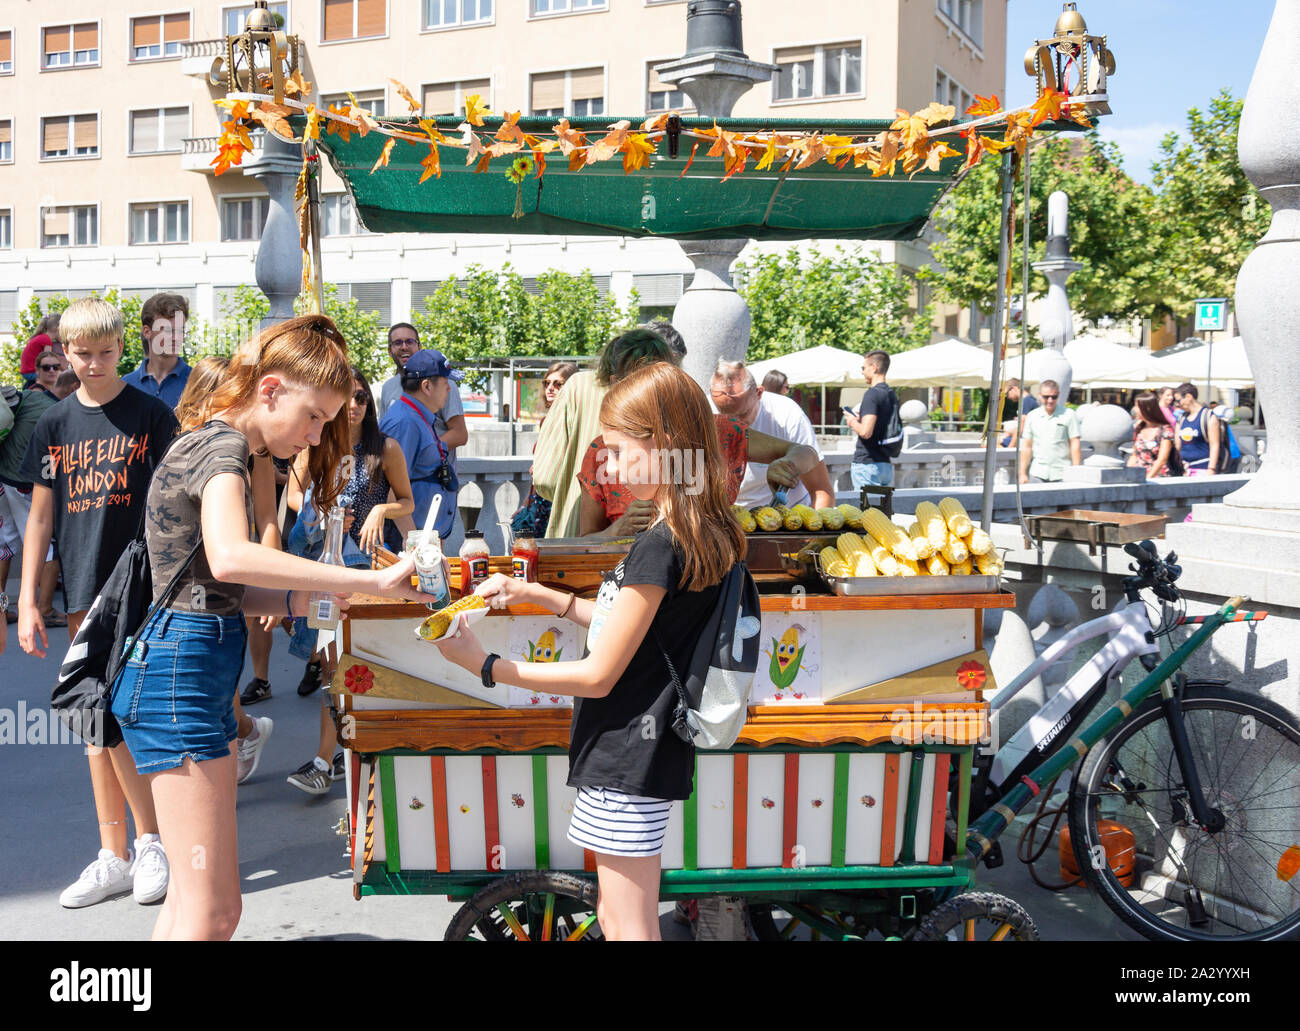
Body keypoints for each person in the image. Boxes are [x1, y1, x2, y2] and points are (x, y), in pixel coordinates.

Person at [106, 313, 433, 940]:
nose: (314, 436)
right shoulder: (224, 447)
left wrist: (309, 602)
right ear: (271, 389)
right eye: (312, 417)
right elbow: (230, 556)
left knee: (196, 907)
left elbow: (222, 586)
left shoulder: (214, 441)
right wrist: (360, 582)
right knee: (210, 911)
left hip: (186, 670)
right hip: (181, 678)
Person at [434, 362, 745, 940]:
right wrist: (538, 594)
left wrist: (483, 665)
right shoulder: (703, 531)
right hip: (647, 753)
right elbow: (633, 632)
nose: (612, 466)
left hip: (626, 751)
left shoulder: (660, 544)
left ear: (667, 446)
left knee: (626, 923)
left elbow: (600, 674)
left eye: (622, 450)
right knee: (621, 914)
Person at [16, 298, 179, 909]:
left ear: (122, 348)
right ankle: (115, 851)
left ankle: (150, 840)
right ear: (64, 351)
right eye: (81, 354)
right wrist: (31, 600)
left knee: (129, 717)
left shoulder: (150, 414)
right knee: (93, 718)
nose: (92, 364)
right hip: (83, 592)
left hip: (142, 585)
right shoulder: (53, 424)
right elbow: (39, 518)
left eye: (105, 353)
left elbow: (175, 503)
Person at [282, 366, 415, 787]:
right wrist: (319, 510)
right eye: (349, 398)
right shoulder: (317, 441)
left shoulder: (385, 448)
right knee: (330, 663)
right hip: (321, 563)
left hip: (366, 571)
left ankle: (327, 761)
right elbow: (292, 493)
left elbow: (408, 501)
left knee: (342, 661)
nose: (354, 406)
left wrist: (381, 509)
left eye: (361, 398)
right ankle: (343, 753)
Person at [533, 328, 673, 539]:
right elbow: (589, 537)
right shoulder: (599, 451)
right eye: (615, 451)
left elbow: (545, 479)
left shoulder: (689, 445)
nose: (613, 465)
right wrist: (618, 529)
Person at [710, 360, 835, 510]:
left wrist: (789, 463)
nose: (734, 425)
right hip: (734, 516)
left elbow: (821, 490)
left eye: (742, 414)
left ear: (759, 393)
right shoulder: (703, 412)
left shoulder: (787, 414)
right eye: (724, 417)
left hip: (789, 513)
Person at [379, 349, 461, 541]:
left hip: (421, 535)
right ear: (427, 386)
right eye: (445, 382)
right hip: (406, 540)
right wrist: (415, 546)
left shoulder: (416, 416)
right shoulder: (405, 422)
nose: (449, 388)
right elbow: (389, 490)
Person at [376, 323, 468, 466]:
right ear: (389, 350)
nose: (404, 347)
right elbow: (383, 435)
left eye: (410, 341)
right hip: (399, 478)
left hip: (433, 482)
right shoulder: (388, 387)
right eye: (397, 343)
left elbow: (459, 434)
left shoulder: (443, 384)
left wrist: (421, 454)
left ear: (419, 346)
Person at [511, 361, 579, 538]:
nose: (550, 388)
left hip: (562, 497)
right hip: (540, 498)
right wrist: (527, 502)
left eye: (558, 384)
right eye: (546, 383)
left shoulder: (576, 421)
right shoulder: (545, 421)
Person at [122, 293, 193, 409]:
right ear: (147, 332)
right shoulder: (126, 386)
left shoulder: (198, 384)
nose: (175, 337)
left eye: (180, 330)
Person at [844, 350, 900, 488]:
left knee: (866, 509)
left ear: (873, 367)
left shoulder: (872, 394)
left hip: (867, 465)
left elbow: (865, 432)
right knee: (883, 509)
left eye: (863, 368)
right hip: (885, 465)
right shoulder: (891, 394)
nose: (862, 372)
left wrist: (852, 421)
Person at [1018, 379, 1081, 484]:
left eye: (1054, 397)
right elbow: (1027, 446)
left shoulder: (1069, 415)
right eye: (1046, 397)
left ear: (1058, 395)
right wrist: (1022, 473)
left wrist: (1076, 472)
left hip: (1062, 473)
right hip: (1037, 473)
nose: (1050, 400)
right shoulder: (1032, 416)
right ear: (1039, 395)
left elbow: (1075, 444)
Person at [1172, 382, 1222, 476]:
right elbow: (1177, 445)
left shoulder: (1208, 416)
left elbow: (1214, 444)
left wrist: (1211, 469)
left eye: (1178, 401)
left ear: (1188, 396)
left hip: (1203, 468)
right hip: (1183, 469)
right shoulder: (1182, 418)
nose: (1177, 405)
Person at [1128, 391, 1179, 479]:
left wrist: (1148, 478)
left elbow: (1162, 459)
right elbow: (1135, 455)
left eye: (1137, 406)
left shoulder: (1165, 430)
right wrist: (1127, 472)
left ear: (1147, 408)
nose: (1135, 410)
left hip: (1158, 478)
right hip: (1139, 476)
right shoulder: (1139, 428)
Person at [998, 378, 1038, 447]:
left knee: (992, 444)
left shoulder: (1026, 402)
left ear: (1014, 388)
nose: (1007, 397)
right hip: (1030, 439)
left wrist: (1010, 448)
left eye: (1007, 394)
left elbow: (1020, 428)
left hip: (1029, 441)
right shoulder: (1029, 400)